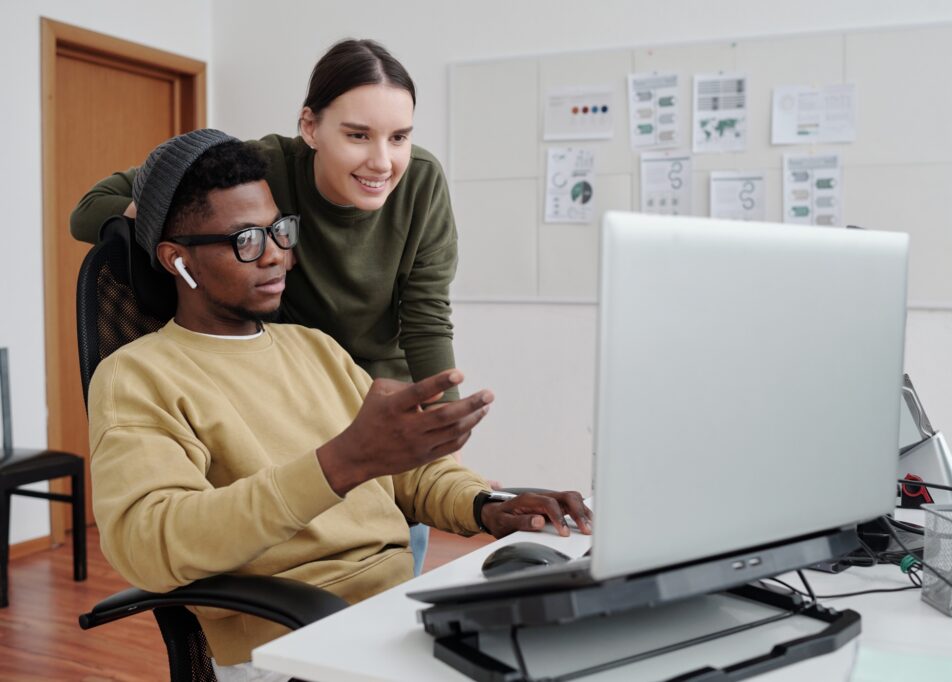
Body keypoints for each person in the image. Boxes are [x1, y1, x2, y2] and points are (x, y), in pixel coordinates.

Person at [88, 129, 592, 680]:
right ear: (177, 260)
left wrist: (487, 504)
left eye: (280, 231)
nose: (278, 255)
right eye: (246, 241)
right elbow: (151, 543)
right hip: (290, 644)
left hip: (400, 610)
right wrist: (340, 464)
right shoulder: (137, 376)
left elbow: (409, 477)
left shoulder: (315, 347)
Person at [71, 39, 464, 574]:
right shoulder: (257, 169)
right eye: (356, 135)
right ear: (310, 128)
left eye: (399, 137)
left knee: (391, 553)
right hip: (275, 403)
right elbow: (89, 210)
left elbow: (425, 317)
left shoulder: (417, 184)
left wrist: (459, 459)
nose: (382, 160)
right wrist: (160, 220)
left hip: (350, 385)